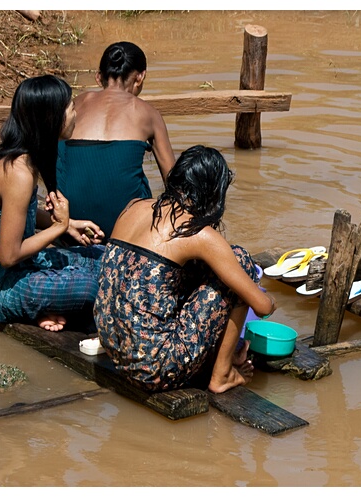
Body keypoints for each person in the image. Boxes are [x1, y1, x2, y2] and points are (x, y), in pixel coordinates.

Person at [94, 145, 275, 394]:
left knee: (194, 271)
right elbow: (262, 307)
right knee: (240, 260)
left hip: (117, 354)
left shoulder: (133, 206)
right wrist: (267, 297)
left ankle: (224, 357)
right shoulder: (198, 233)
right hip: (153, 370)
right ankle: (222, 374)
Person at [0, 75, 105, 332]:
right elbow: (8, 256)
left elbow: (18, 215)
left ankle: (49, 307)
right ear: (51, 119)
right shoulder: (18, 172)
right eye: (71, 107)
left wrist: (68, 223)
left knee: (103, 256)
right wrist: (59, 227)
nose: (76, 113)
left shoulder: (24, 159)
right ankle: (44, 308)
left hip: (19, 270)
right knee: (94, 285)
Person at [56, 41, 175, 242]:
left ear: (98, 76)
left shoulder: (75, 105)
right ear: (140, 77)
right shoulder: (148, 113)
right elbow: (174, 182)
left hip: (70, 225)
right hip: (127, 233)